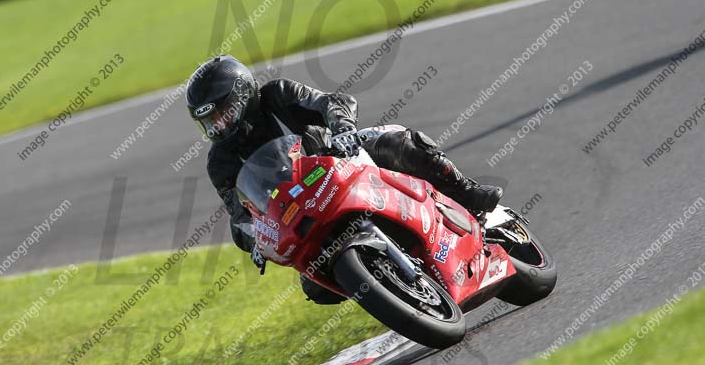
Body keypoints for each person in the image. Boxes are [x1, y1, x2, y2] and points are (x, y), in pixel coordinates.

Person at [186, 55, 502, 304]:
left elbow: (331, 102)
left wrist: (342, 129)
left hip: (343, 163)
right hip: (302, 214)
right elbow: (239, 215)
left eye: (223, 113)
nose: (218, 125)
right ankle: (389, 288)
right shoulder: (220, 162)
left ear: (243, 94)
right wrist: (255, 239)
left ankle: (467, 193)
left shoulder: (278, 94)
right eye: (209, 120)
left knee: (399, 142)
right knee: (315, 287)